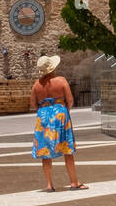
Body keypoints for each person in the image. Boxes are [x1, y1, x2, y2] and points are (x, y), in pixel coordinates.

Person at [29, 55, 86, 192]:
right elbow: (70, 101)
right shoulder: (61, 81)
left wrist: (44, 111)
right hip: (60, 114)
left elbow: (32, 104)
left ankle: (49, 185)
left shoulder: (37, 84)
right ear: (53, 68)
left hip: (43, 116)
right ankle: (74, 182)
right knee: (67, 149)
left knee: (45, 150)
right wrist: (62, 111)